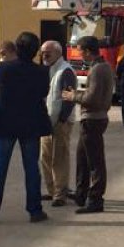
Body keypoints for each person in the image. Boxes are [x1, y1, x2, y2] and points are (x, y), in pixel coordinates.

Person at [0, 32, 52, 225]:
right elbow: (44, 92)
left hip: (5, 124)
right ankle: (35, 210)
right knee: (31, 168)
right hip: (31, 124)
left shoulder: (4, 68)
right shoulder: (42, 72)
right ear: (36, 51)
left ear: (17, 49)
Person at [62, 36, 113, 214]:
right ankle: (81, 193)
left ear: (88, 51)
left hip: (93, 119)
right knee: (82, 158)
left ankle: (96, 198)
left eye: (80, 51)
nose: (79, 54)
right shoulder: (101, 67)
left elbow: (92, 98)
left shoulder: (98, 70)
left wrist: (73, 96)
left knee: (95, 161)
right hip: (93, 118)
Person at [39, 40, 77, 207]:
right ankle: (51, 190)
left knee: (59, 158)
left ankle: (60, 194)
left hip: (60, 122)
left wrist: (62, 120)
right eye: (43, 52)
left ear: (58, 53)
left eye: (48, 52)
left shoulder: (65, 71)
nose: (44, 55)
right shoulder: (49, 70)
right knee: (45, 158)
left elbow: (69, 98)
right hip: (47, 122)